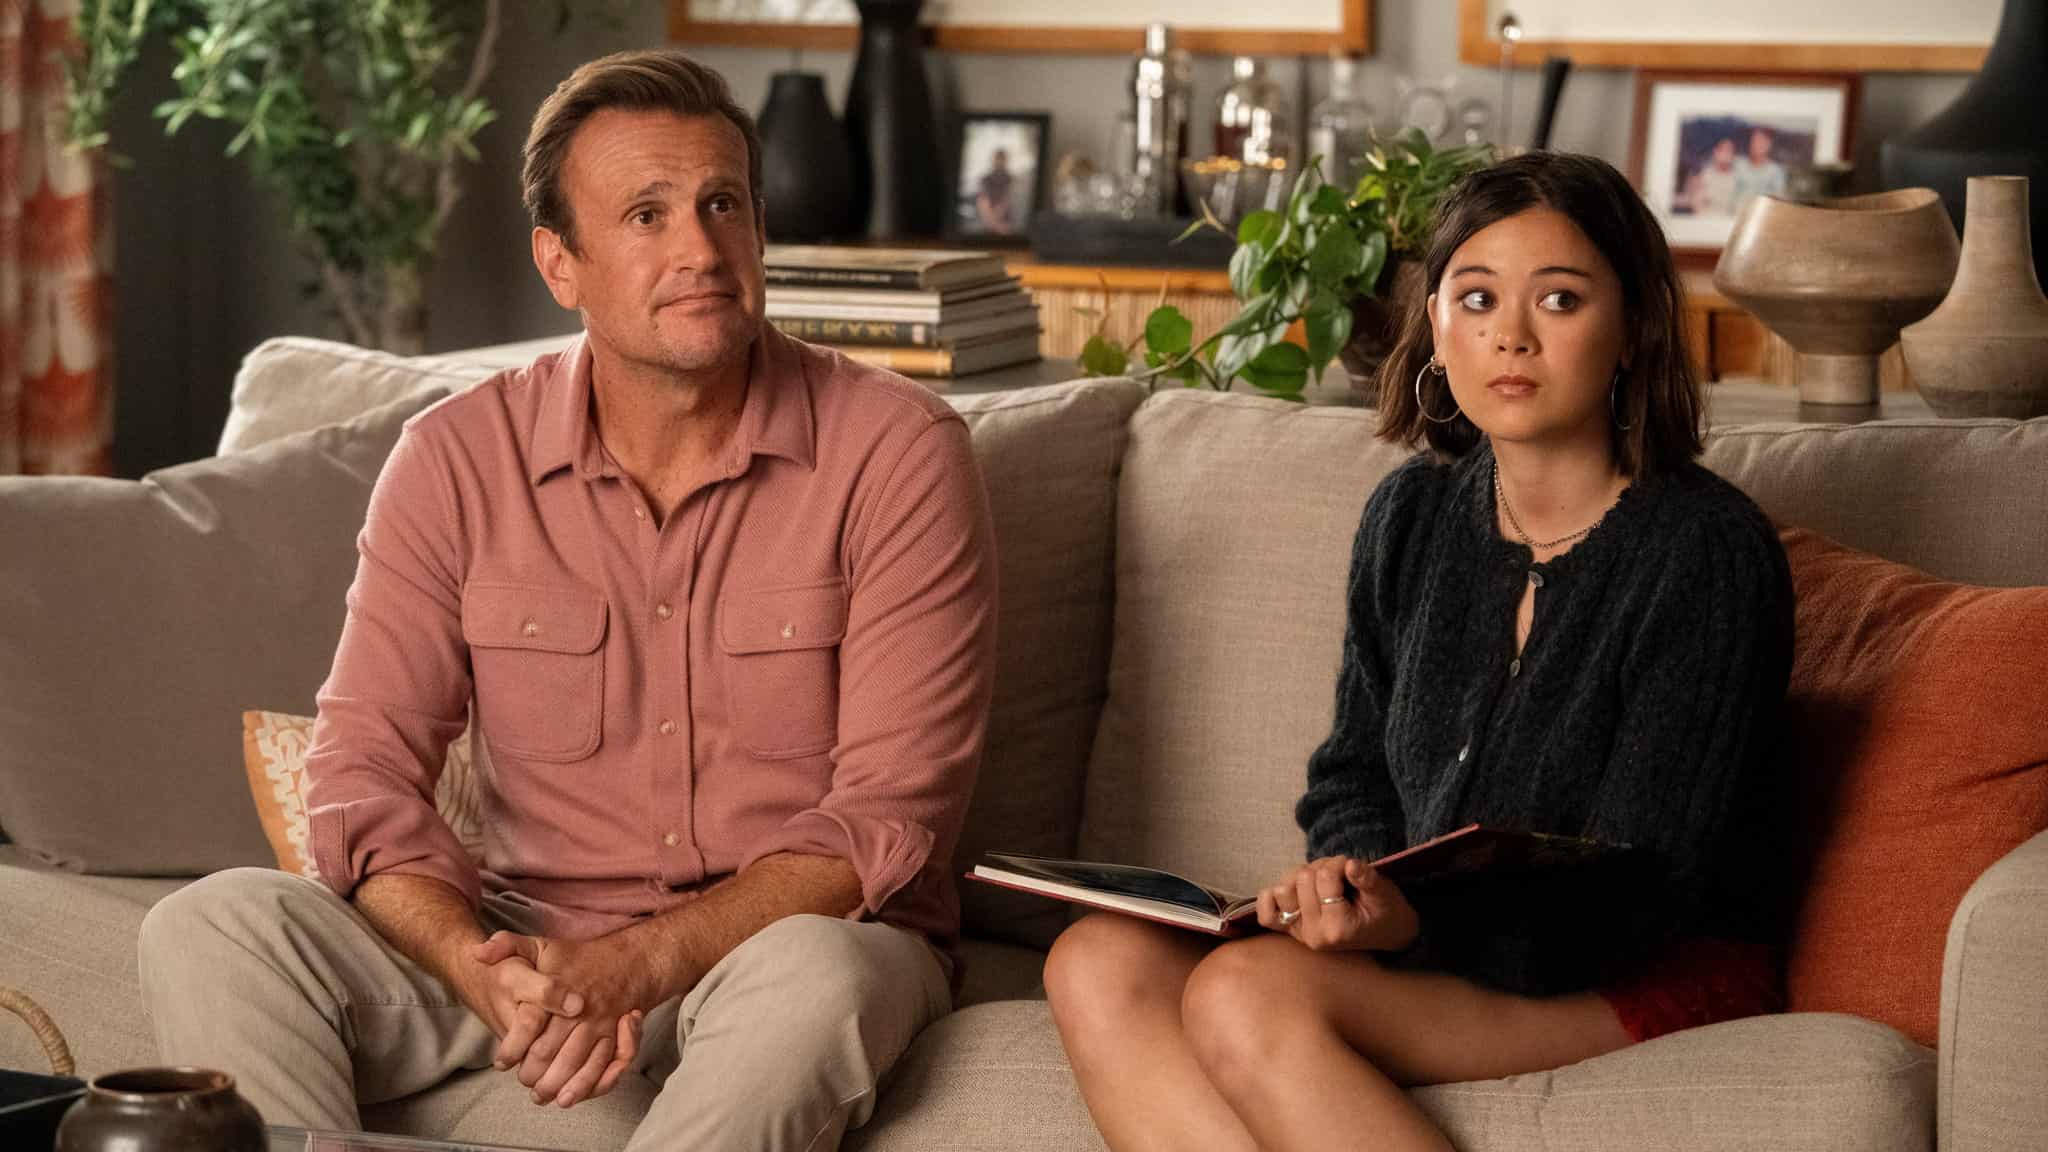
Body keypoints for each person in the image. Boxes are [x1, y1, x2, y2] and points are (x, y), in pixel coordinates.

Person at [136, 49, 998, 1152]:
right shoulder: (454, 460)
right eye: (645, 215)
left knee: (823, 976)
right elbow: (362, 772)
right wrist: (475, 964)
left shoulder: (897, 453)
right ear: (559, 263)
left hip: (786, 948)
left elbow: (891, 815)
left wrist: (636, 964)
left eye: (721, 203)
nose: (699, 248)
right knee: (212, 924)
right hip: (526, 951)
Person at [1042, 151, 1792, 1152]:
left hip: (1641, 964)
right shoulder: (1410, 518)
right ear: (1433, 326)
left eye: (1558, 300)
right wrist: (1343, 883)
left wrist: (1410, 926)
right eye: (1473, 297)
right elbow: (1349, 774)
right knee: (1096, 959)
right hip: (1434, 945)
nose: (1508, 335)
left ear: (1631, 330)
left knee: (1244, 996)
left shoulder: (1703, 553)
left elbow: (1641, 894)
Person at [1732, 125, 1789, 207]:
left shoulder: (1775, 171)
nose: (1757, 145)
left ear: (1769, 144)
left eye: (1762, 141)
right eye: (1754, 141)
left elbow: (1779, 201)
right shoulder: (1739, 164)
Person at [1683, 135, 1740, 216]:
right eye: (1722, 150)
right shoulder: (1704, 175)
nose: (1726, 154)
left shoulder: (1738, 177)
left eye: (1730, 150)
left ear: (1733, 155)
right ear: (1715, 152)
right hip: (1706, 219)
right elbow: (1696, 205)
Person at [974, 147, 1018, 234]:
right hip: (988, 222)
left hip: (1005, 223)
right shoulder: (985, 179)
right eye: (998, 159)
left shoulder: (1011, 179)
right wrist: (993, 223)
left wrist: (996, 222)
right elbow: (982, 202)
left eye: (1002, 159)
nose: (999, 162)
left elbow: (1007, 200)